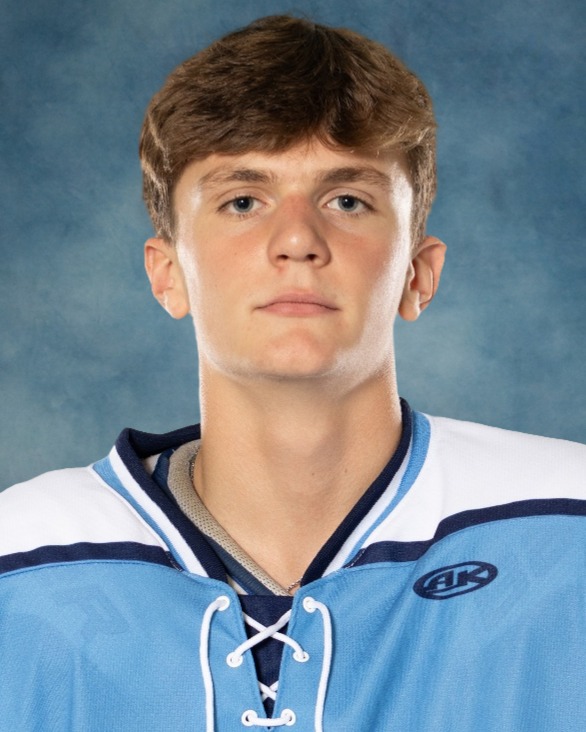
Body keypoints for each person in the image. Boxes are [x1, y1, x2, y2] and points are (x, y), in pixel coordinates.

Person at [1, 14, 585, 732]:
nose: (299, 240)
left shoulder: (569, 526)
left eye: (348, 200)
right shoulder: (19, 559)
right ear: (167, 274)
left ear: (418, 273)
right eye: (243, 201)